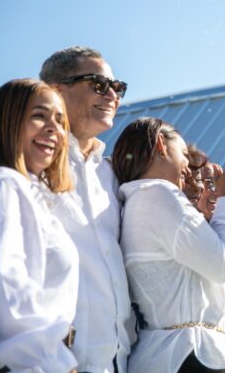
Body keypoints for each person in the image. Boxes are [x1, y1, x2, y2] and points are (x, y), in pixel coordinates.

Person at [112, 118, 225, 373]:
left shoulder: (139, 199)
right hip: (188, 354)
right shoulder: (159, 194)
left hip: (175, 354)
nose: (189, 169)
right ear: (160, 145)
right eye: (184, 155)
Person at [40, 46, 132, 372]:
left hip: (119, 360)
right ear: (55, 91)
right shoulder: (22, 168)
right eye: (98, 84)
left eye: (117, 87)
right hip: (52, 360)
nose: (112, 95)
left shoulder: (113, 176)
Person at [0, 79, 79, 372]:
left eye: (60, 121)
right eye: (39, 115)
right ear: (7, 123)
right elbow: (7, 287)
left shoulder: (28, 191)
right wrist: (54, 363)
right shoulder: (4, 184)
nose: (54, 129)